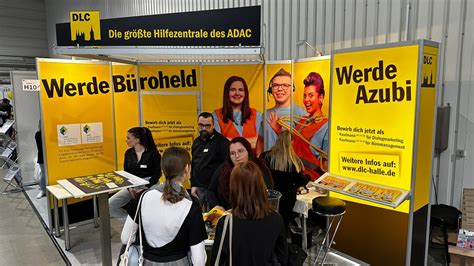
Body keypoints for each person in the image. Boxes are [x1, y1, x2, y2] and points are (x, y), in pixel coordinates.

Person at [121, 147, 207, 265]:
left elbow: (125, 238)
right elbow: (199, 261)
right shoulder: (191, 207)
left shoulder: (142, 197)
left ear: (163, 169)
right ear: (187, 168)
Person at [210, 161, 288, 265]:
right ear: (261, 185)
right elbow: (282, 258)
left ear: (234, 189)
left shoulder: (226, 223)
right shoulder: (276, 219)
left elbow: (217, 260)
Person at [109, 127, 161, 221]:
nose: (126, 140)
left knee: (148, 207)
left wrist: (145, 187)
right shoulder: (128, 153)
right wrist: (130, 188)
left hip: (150, 184)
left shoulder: (153, 154)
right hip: (132, 185)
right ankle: (133, 223)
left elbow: (157, 174)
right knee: (110, 205)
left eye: (128, 138)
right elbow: (126, 173)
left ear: (137, 140)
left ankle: (147, 225)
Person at [260, 130, 309, 230]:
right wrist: (308, 177)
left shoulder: (265, 156)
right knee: (283, 226)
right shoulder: (293, 162)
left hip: (268, 196)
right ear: (291, 143)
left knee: (267, 224)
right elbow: (301, 181)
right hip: (287, 199)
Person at [207, 137, 273, 211]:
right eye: (232, 153)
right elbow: (210, 191)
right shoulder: (223, 169)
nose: (237, 156)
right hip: (228, 215)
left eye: (240, 151)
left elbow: (268, 192)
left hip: (255, 213)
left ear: (248, 151)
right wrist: (216, 206)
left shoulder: (260, 167)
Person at [213, 76, 264, 156]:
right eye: (233, 90)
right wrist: (250, 142)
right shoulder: (216, 116)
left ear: (245, 93)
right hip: (227, 165)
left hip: (251, 165)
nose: (237, 93)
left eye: (240, 90)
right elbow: (219, 144)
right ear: (227, 92)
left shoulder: (257, 115)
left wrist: (229, 141)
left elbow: (259, 143)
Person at [293, 72, 329, 180]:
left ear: (321, 98)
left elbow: (327, 166)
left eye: (311, 95)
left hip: (312, 182)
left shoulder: (327, 127)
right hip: (293, 177)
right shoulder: (301, 122)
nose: (306, 100)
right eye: (305, 96)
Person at [190, 112, 229, 210]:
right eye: (201, 125)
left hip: (214, 191)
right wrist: (193, 184)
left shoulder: (223, 143)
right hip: (198, 190)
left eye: (207, 126)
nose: (204, 128)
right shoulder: (196, 142)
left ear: (213, 126)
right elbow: (194, 164)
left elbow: (227, 167)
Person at [264, 68, 306, 151]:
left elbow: (303, 146)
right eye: (275, 85)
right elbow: (261, 141)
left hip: (290, 163)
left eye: (285, 85)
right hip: (267, 162)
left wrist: (279, 131)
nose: (280, 89)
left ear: (292, 89)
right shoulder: (266, 114)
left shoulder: (302, 115)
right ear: (270, 90)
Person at [35, 121, 46, 199]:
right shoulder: (38, 134)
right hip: (42, 156)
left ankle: (44, 189)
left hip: (48, 156)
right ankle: (42, 190)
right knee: (43, 174)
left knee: (44, 173)